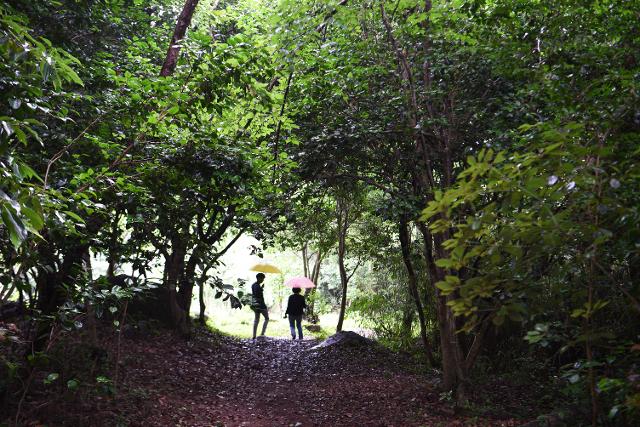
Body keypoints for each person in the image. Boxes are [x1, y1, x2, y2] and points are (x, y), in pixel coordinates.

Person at [251, 273, 269, 339]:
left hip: (255, 304)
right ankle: (262, 333)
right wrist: (261, 289)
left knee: (256, 319)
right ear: (258, 278)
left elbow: (255, 294)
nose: (263, 280)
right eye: (262, 278)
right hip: (261, 304)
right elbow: (257, 294)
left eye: (263, 279)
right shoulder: (257, 286)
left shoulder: (253, 285)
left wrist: (261, 288)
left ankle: (254, 335)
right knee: (267, 318)